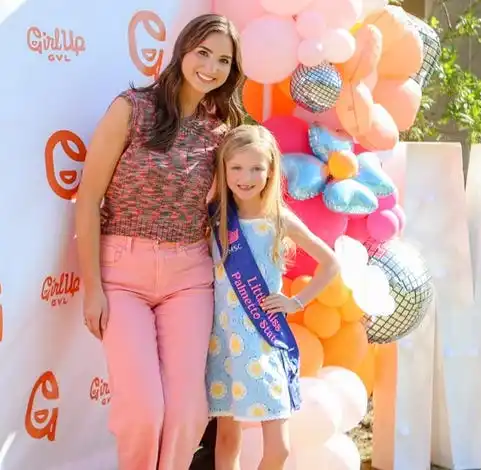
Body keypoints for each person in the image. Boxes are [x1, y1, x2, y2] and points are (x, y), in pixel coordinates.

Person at [74, 14, 244, 470]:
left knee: (189, 414)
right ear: (182, 49)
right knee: (143, 414)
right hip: (122, 274)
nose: (210, 67)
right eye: (203, 52)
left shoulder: (221, 132)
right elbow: (88, 198)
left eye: (223, 60)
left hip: (189, 278)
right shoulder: (132, 108)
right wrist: (93, 288)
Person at [206, 125, 340, 470]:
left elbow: (330, 263)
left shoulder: (279, 219)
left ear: (270, 171)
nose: (245, 177)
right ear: (222, 169)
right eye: (236, 167)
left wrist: (297, 302)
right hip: (222, 340)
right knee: (225, 437)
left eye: (255, 168)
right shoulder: (216, 218)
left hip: (264, 340)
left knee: (278, 448)